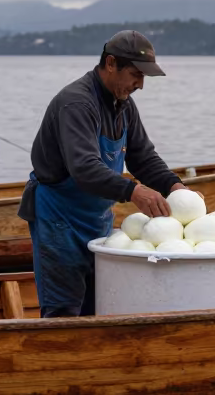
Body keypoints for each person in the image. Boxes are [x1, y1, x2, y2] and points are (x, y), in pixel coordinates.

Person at [18, 30, 192, 317]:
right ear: (111, 63)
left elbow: (143, 157)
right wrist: (133, 191)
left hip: (97, 220)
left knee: (99, 304)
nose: (141, 84)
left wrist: (175, 187)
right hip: (60, 221)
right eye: (136, 74)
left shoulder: (123, 105)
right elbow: (84, 169)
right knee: (64, 307)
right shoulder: (76, 103)